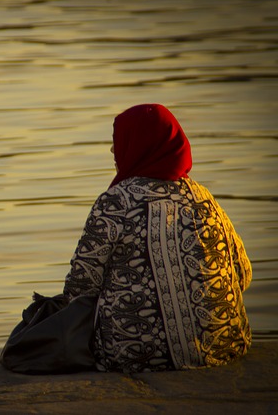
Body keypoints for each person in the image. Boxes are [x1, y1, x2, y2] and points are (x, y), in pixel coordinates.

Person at [63, 104, 252, 373]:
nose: (112, 152)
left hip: (134, 357)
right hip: (224, 348)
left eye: (118, 142)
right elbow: (243, 274)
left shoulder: (115, 203)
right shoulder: (205, 200)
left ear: (136, 146)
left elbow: (80, 288)